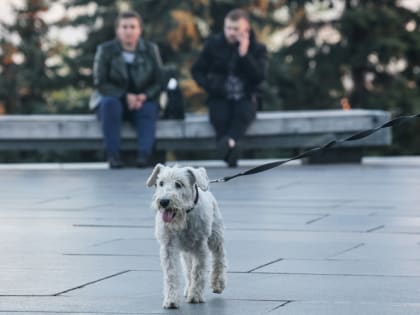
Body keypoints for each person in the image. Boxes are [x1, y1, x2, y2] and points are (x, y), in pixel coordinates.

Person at [191, 8, 267, 167]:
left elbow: (260, 77)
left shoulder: (257, 48)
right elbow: (197, 70)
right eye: (228, 28)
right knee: (219, 116)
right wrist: (209, 86)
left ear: (246, 29)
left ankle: (227, 144)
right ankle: (231, 147)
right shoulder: (213, 45)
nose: (231, 32)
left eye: (236, 29)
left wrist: (244, 54)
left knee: (242, 114)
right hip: (219, 96)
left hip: (246, 96)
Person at [90, 11, 161, 169]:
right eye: (124, 27)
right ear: (117, 30)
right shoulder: (105, 50)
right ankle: (113, 156)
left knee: (148, 108)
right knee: (109, 104)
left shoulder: (150, 49)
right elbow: (100, 82)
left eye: (132, 27)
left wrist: (144, 96)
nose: (128, 31)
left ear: (139, 30)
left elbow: (158, 81)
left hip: (141, 101)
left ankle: (144, 156)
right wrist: (124, 96)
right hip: (114, 100)